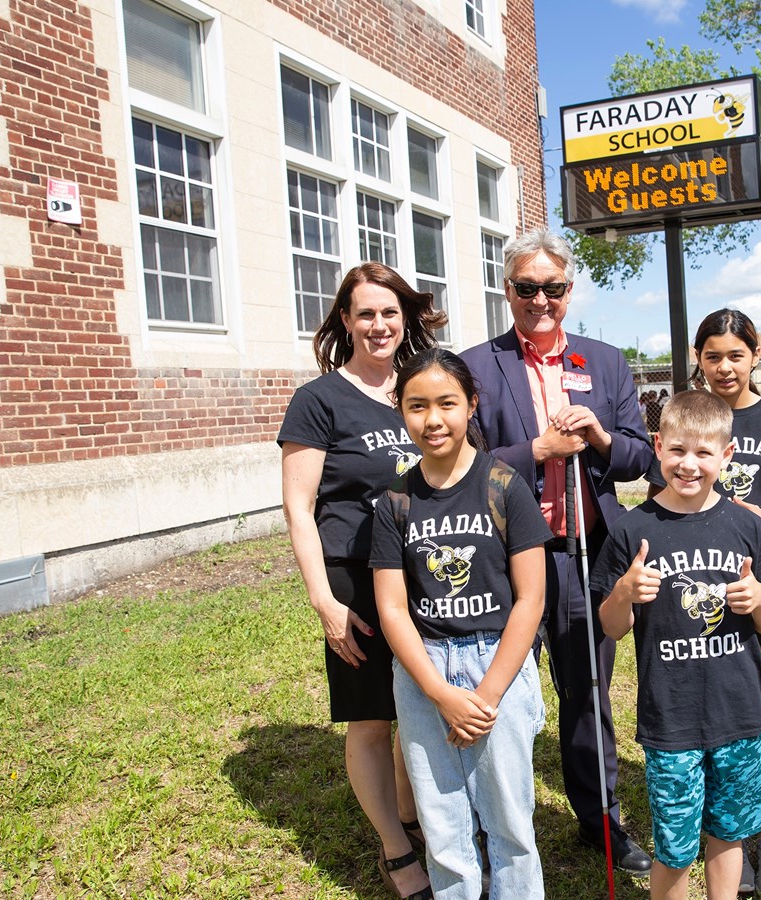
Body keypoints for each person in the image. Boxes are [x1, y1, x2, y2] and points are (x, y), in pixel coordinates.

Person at [460, 227, 656, 873]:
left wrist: (599, 435)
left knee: (586, 687)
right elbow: (461, 465)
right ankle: (492, 823)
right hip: (506, 557)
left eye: (551, 288)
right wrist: (535, 452)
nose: (539, 300)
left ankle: (599, 820)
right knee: (500, 689)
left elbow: (639, 457)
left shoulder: (604, 362)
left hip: (585, 551)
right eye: (525, 288)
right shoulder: (478, 366)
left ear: (568, 290)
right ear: (506, 289)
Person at [645, 308, 761, 896]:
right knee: (714, 712)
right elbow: (661, 499)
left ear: (755, 356)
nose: (724, 367)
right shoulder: (688, 419)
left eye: (735, 355)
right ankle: (728, 844)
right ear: (698, 359)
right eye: (712, 355)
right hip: (695, 596)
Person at [277, 262, 445, 899]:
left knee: (418, 707)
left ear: (407, 320)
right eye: (365, 313)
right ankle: (397, 850)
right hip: (354, 578)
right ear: (345, 321)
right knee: (373, 719)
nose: (379, 324)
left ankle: (413, 813)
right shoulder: (320, 400)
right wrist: (323, 600)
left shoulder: (420, 386)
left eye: (390, 312)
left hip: (426, 573)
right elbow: (299, 508)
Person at [591, 389, 761, 900]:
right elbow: (611, 626)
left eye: (704, 453)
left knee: (728, 836)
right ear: (658, 446)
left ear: (726, 456)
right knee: (676, 846)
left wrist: (759, 600)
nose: (689, 464)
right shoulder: (632, 531)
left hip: (740, 714)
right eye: (678, 450)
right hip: (671, 720)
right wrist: (623, 592)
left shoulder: (747, 526)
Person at [371, 349, 552, 899]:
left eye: (447, 403)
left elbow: (530, 599)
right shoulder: (395, 501)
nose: (433, 420)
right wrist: (438, 692)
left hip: (497, 663)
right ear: (399, 411)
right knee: (443, 826)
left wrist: (488, 694)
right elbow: (392, 609)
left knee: (510, 825)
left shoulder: (505, 486)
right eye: (416, 405)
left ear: (471, 404)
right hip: (425, 671)